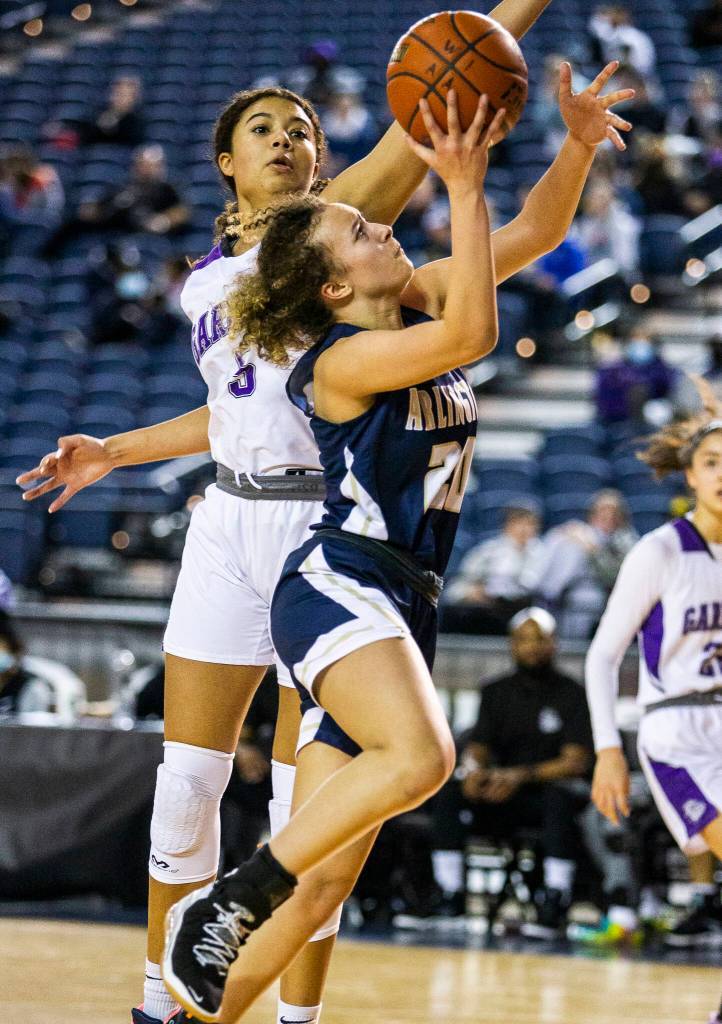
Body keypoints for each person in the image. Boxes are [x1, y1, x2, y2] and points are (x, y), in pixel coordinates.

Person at [18, 49, 633, 1024]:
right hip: (324, 558)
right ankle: (204, 924)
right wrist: (462, 164)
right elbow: (461, 318)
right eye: (359, 226)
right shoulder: (337, 346)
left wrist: (573, 143)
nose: (375, 224)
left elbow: (531, 235)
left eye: (301, 129)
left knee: (328, 857)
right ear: (326, 279)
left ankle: (206, 1003)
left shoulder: (393, 312)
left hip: (395, 582)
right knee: (353, 775)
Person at [585, 376, 722, 1024]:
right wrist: (609, 750)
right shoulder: (660, 550)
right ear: (688, 477)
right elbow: (602, 656)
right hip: (676, 735)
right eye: (711, 463)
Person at [430, 607, 597, 938]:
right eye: (523, 639)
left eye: (539, 639)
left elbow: (575, 761)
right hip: (502, 794)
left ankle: (555, 897)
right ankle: (449, 895)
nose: (531, 646)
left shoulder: (572, 693)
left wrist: (518, 776)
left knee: (558, 798)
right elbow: (478, 746)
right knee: (449, 791)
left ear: (554, 643)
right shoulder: (495, 691)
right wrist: (474, 771)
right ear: (511, 644)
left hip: (547, 795)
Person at [41, 144, 189, 260]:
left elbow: (183, 211)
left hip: (141, 227)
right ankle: (47, 257)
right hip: (111, 223)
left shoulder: (165, 188)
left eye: (149, 165)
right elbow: (99, 205)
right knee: (73, 222)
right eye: (141, 164)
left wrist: (163, 221)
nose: (144, 168)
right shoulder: (124, 185)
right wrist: (92, 210)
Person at [536, 489, 638, 640]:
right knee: (565, 540)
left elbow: (614, 575)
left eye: (613, 512)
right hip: (568, 591)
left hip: (606, 595)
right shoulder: (583, 532)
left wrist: (594, 551)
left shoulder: (627, 539)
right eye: (602, 510)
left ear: (621, 516)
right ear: (592, 513)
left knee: (586, 598)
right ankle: (546, 593)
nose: (607, 516)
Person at [441, 504, 545, 635]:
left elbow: (534, 586)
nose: (523, 529)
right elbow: (458, 586)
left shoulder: (543, 553)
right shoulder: (488, 551)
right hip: (485, 611)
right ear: (507, 526)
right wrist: (472, 592)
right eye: (518, 523)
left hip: (523, 610)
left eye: (529, 524)